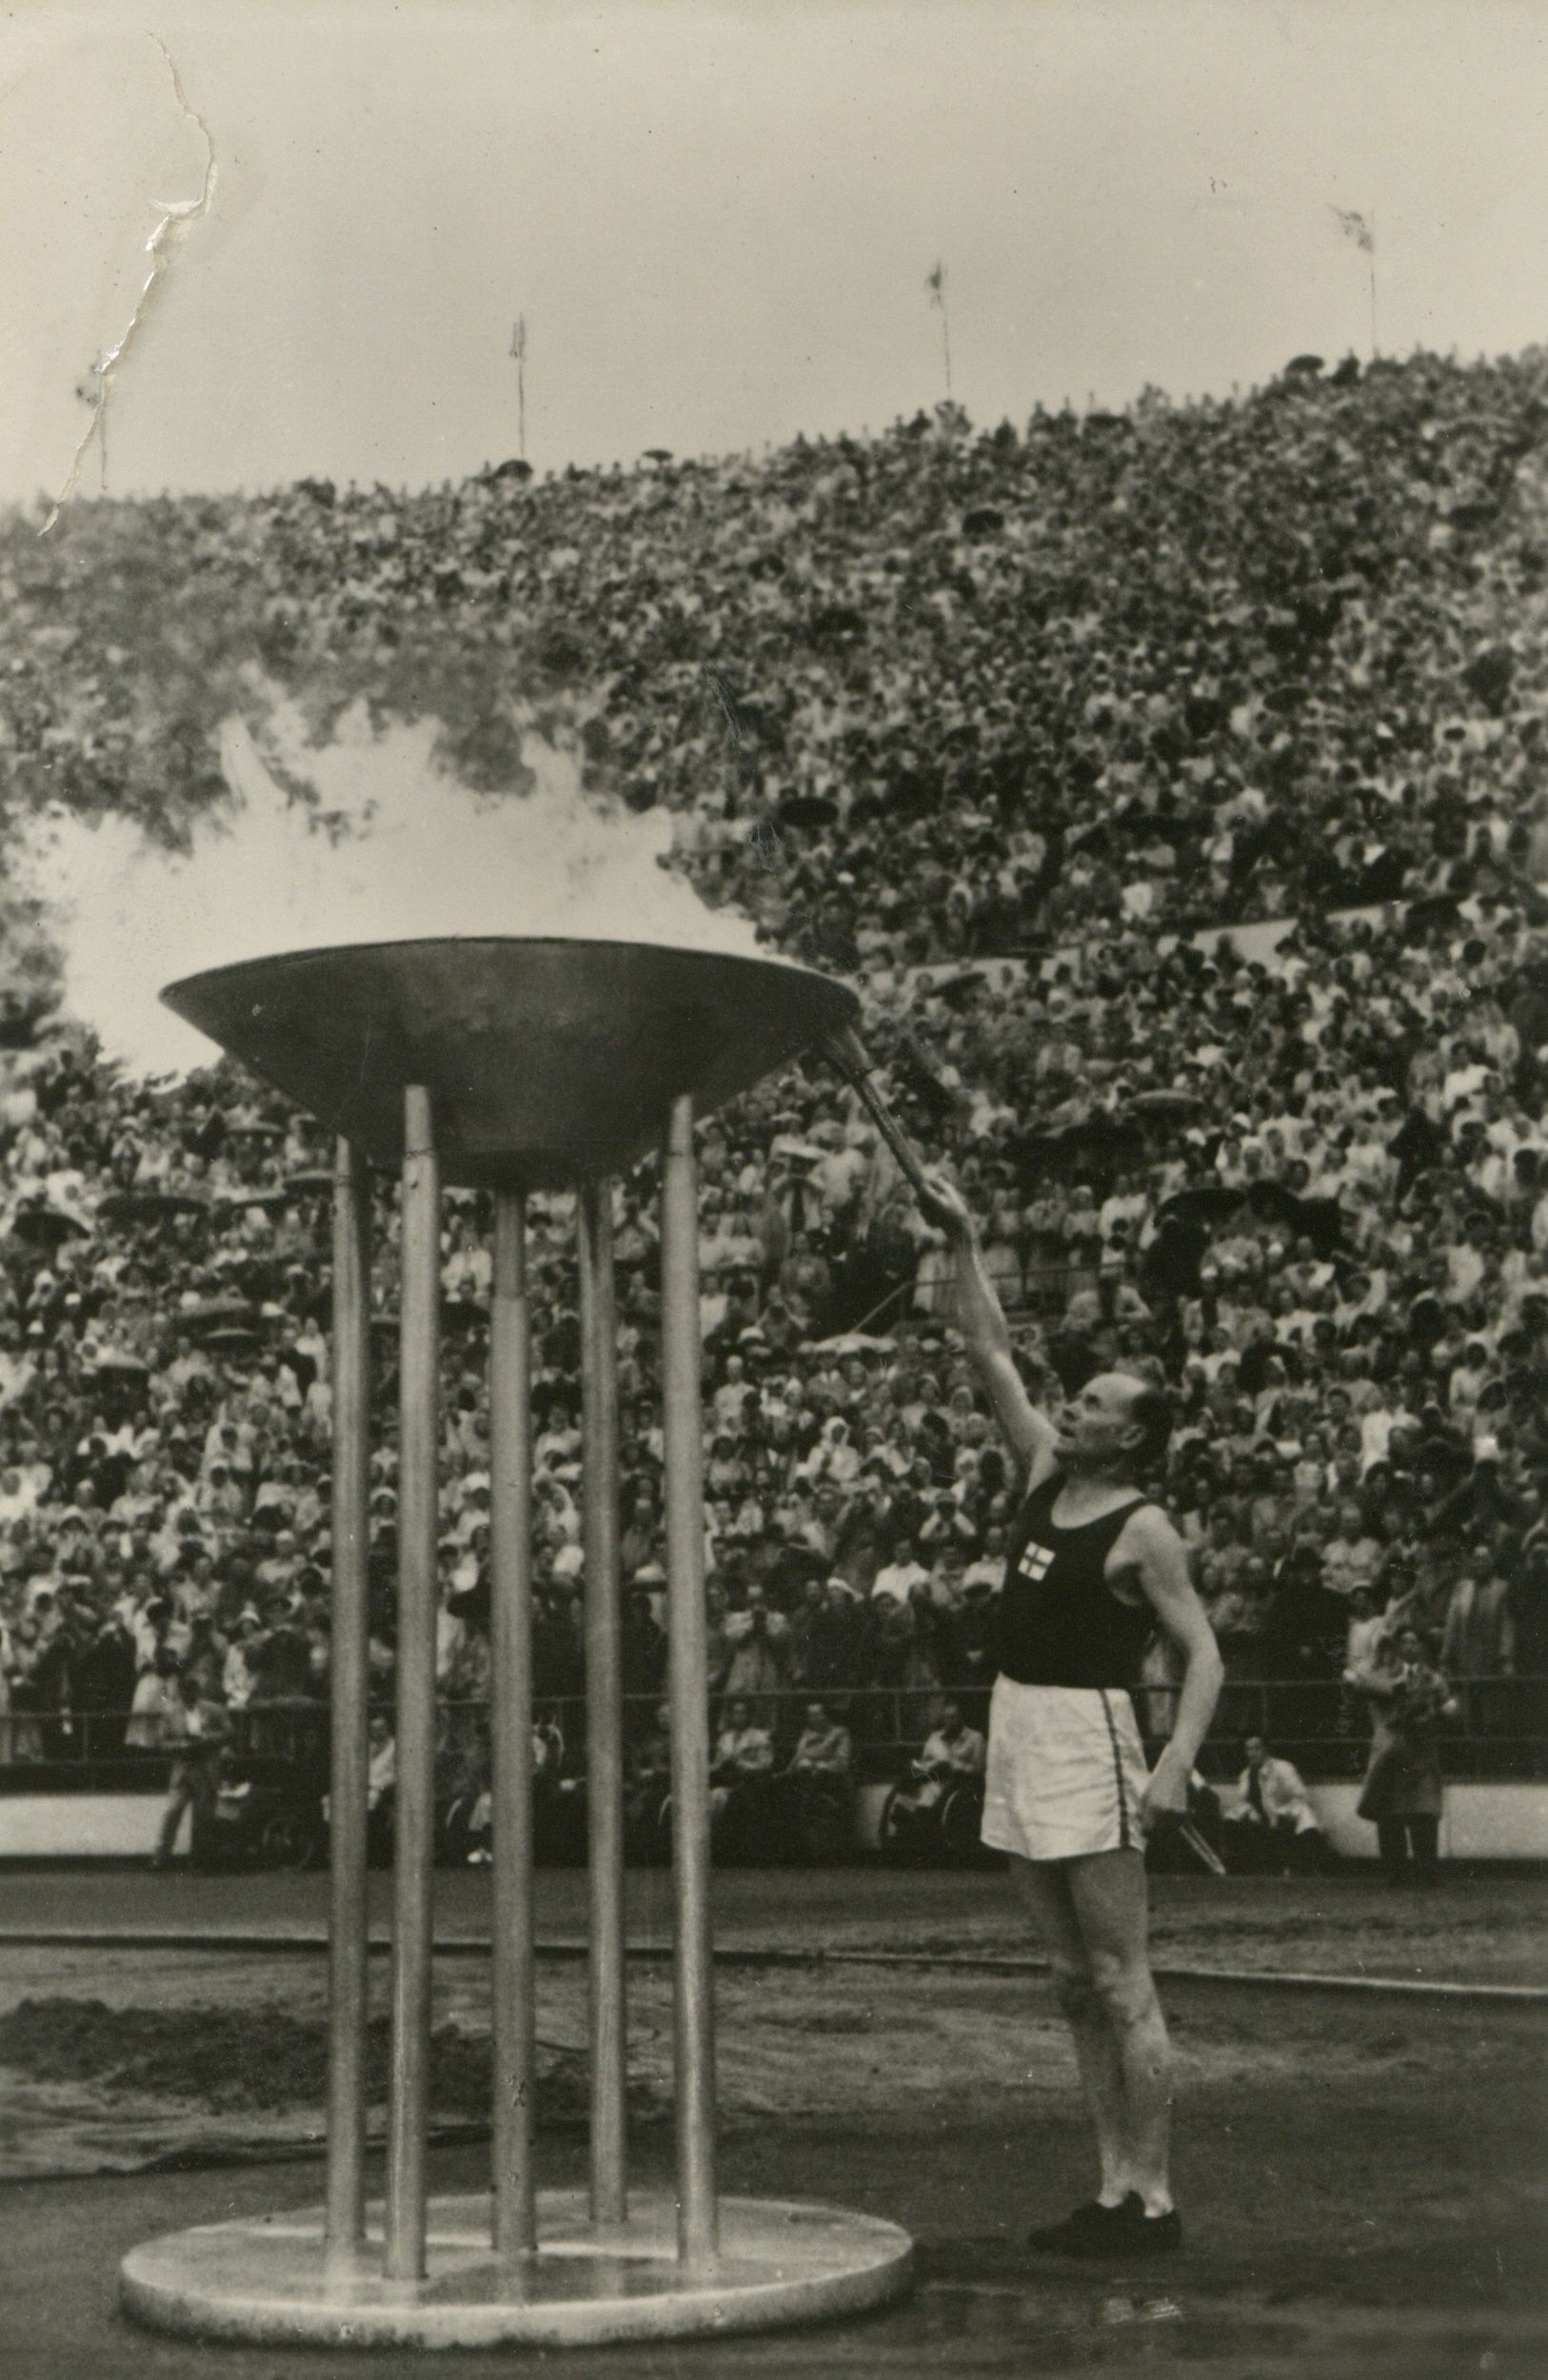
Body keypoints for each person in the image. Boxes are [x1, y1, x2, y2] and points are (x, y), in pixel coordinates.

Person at [920, 1169, 1222, 2257]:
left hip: (1092, 1732)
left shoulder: (1148, 1529)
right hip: (1016, 1722)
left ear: (1132, 1439)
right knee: (1066, 1980)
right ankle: (1109, 2188)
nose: (1076, 1407)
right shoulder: (1046, 1467)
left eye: (1097, 1404)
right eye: (1081, 1398)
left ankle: (1157, 2193)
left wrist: (1177, 1758)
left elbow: (1205, 1655)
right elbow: (990, 1348)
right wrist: (963, 1238)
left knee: (1120, 1976)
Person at [1349, 1625, 1459, 1884]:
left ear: (1421, 1647)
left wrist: (1441, 1713)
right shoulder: (1380, 1675)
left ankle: (1426, 1872)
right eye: (1404, 1642)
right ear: (1396, 1647)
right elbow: (1357, 1683)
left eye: (1415, 1641)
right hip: (1391, 1752)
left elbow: (1449, 1709)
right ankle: (1395, 1872)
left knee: (1424, 1814)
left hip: (1421, 1751)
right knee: (1390, 1814)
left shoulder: (1433, 1679)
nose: (1410, 1647)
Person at [150, 1670, 231, 1869]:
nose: (188, 1696)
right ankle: (161, 1857)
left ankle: (200, 1858)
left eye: (191, 1692)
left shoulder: (214, 1710)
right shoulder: (171, 1713)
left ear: (197, 1692)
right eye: (184, 1693)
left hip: (205, 1765)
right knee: (172, 1811)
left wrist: (208, 1739)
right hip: (184, 1765)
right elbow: (162, 1742)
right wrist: (182, 1746)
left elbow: (229, 1731)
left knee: (203, 1816)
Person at [1223, 1734, 1329, 1873]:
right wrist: (1251, 1813)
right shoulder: (1246, 1775)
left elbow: (1302, 1796)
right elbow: (1245, 1800)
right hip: (1261, 1820)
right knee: (1230, 1820)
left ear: (1266, 1750)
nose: (1252, 1753)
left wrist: (1283, 1813)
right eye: (1249, 1749)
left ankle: (1310, 1865)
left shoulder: (1283, 1768)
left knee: (1305, 1820)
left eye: (1257, 1748)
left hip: (1286, 1816)